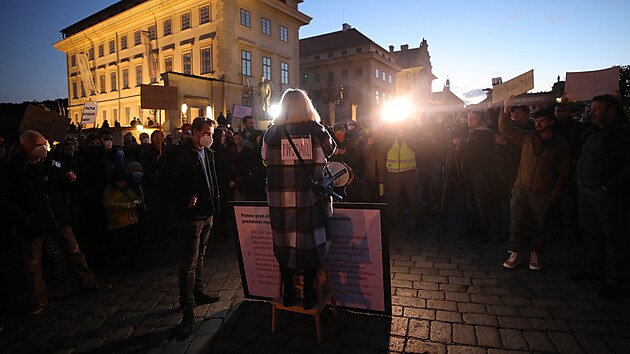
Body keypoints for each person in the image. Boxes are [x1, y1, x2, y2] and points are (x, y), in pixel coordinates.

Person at [0, 130, 111, 316]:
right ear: (25, 147)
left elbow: (60, 184)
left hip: (57, 216)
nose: (43, 147)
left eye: (45, 143)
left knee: (74, 252)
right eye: (38, 145)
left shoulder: (52, 162)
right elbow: (5, 200)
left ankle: (89, 282)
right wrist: (23, 217)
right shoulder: (12, 170)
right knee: (33, 263)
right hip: (32, 222)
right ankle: (38, 298)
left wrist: (68, 181)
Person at [262, 88, 336, 309]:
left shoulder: (272, 133)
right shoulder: (316, 130)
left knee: (284, 243)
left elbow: (265, 159)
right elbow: (331, 150)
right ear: (307, 106)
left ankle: (287, 292)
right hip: (309, 201)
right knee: (310, 244)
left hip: (280, 203)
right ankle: (309, 297)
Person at [159, 117, 221, 337]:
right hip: (190, 216)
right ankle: (187, 306)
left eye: (212, 133)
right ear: (194, 132)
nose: (209, 137)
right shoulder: (179, 154)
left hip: (207, 213)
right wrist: (184, 198)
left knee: (201, 256)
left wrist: (214, 204)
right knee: (189, 261)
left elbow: (211, 180)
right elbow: (165, 181)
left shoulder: (209, 153)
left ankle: (198, 292)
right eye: (206, 132)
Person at [499, 97, 571, 271]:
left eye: (542, 121)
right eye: (536, 120)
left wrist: (556, 190)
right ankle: (515, 252)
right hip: (521, 187)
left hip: (543, 190)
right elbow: (506, 130)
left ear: (551, 122)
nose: (538, 124)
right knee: (517, 222)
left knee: (540, 224)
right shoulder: (528, 137)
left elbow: (564, 170)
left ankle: (536, 253)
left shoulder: (561, 145)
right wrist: (506, 110)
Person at [573, 94, 630, 298]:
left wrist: (612, 185)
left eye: (596, 109)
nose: (591, 112)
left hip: (606, 193)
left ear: (611, 111)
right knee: (591, 233)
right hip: (586, 190)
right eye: (591, 109)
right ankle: (593, 269)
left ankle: (616, 280)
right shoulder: (595, 131)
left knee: (614, 238)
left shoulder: (622, 133)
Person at [453, 111, 497, 243]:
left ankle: (484, 233)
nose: (469, 120)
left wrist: (463, 143)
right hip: (468, 171)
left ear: (481, 120)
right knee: (469, 203)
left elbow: (479, 151)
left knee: (480, 203)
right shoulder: (471, 133)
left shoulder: (486, 134)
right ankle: (472, 230)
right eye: (468, 118)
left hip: (480, 173)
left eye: (473, 118)